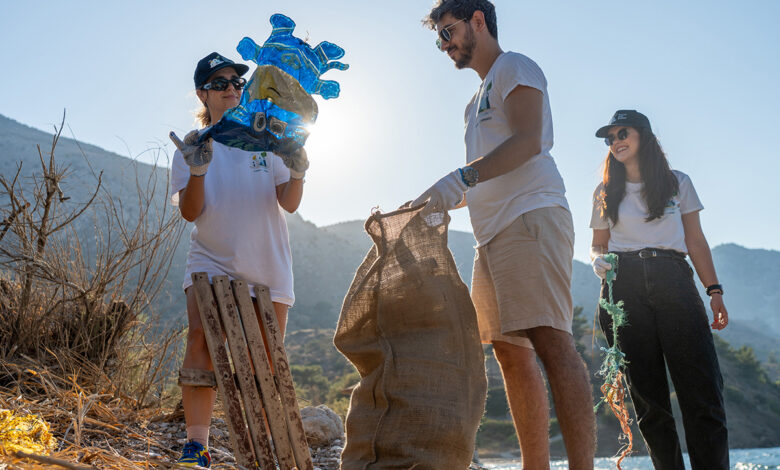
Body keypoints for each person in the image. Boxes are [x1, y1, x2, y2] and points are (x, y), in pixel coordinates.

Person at [415, 2, 596, 468]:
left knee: (551, 341)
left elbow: (528, 139)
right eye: (439, 37)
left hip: (531, 217)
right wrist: (435, 199)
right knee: (509, 354)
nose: (444, 44)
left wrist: (459, 179)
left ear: (478, 19)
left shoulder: (514, 66)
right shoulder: (473, 104)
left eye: (448, 31)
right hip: (489, 236)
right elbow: (483, 175)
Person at [169, 52, 305, 467]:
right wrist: (196, 172)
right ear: (202, 94)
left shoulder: (269, 138)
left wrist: (298, 171)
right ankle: (197, 448)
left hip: (268, 264)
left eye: (236, 82)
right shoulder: (193, 145)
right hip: (210, 260)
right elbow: (190, 212)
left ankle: (264, 451)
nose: (231, 88)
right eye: (220, 82)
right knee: (201, 341)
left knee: (265, 363)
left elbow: (290, 203)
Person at [589, 109, 729, 470]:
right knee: (649, 402)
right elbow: (598, 244)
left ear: (644, 136)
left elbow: (695, 241)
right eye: (610, 138)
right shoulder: (605, 191)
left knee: (702, 393)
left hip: (674, 280)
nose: (615, 141)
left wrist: (714, 291)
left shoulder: (676, 181)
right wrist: (596, 261)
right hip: (623, 287)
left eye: (623, 133)